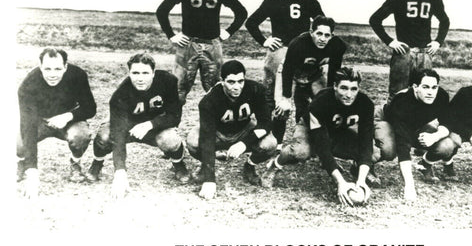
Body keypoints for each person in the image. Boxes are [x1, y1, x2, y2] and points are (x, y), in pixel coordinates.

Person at [262, 67, 375, 206]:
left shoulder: (366, 104)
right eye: (344, 88)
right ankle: (275, 165)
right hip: (311, 130)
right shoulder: (321, 102)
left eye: (353, 89)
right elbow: (321, 144)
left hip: (338, 131)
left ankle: (357, 171)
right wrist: (340, 182)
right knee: (301, 151)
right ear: (334, 86)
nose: (349, 94)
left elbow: (366, 141)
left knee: (374, 153)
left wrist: (362, 181)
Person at [90, 53, 190, 199]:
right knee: (105, 136)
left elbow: (174, 116)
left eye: (145, 73)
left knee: (170, 139)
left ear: (153, 73)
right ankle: (96, 164)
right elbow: (118, 133)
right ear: (129, 73)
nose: (140, 78)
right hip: (127, 126)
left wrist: (151, 124)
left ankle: (179, 165)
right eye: (135, 73)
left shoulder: (168, 81)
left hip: (154, 126)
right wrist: (120, 172)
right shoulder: (120, 95)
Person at [245, 0, 324, 146]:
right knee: (274, 95)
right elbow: (251, 22)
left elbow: (322, 26)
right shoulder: (273, 1)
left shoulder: (311, 2)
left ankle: (300, 138)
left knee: (302, 95)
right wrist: (264, 41)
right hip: (280, 51)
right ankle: (273, 139)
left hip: (303, 51)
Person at [156, 0, 248, 104]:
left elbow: (241, 12)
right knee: (178, 90)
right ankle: (171, 127)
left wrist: (228, 32)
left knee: (217, 90)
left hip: (212, 44)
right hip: (188, 44)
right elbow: (162, 10)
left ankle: (217, 127)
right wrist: (172, 35)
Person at [186, 60, 277, 200]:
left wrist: (244, 144)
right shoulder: (209, 100)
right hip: (217, 132)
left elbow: (266, 123)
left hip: (244, 130)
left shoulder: (255, 89)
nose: (237, 87)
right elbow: (207, 136)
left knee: (270, 143)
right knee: (193, 141)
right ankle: (206, 166)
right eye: (231, 82)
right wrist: (209, 180)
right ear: (222, 81)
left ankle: (250, 165)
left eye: (241, 81)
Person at [17, 48, 97, 198]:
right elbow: (28, 125)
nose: (52, 74)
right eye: (47, 69)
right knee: (17, 142)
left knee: (81, 136)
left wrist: (68, 116)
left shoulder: (77, 75)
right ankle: (23, 163)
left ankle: (75, 162)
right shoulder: (28, 84)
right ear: (40, 66)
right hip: (39, 120)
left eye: (58, 69)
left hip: (68, 120)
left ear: (65, 67)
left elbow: (90, 108)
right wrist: (33, 173)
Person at [374, 69, 459, 200]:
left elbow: (448, 122)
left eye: (434, 87)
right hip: (386, 120)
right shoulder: (402, 102)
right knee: (389, 150)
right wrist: (409, 185)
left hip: (416, 125)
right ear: (415, 87)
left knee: (448, 144)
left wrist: (433, 137)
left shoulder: (441, 95)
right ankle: (363, 165)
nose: (431, 92)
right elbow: (403, 146)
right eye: (425, 87)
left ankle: (425, 164)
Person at [369, 0, 450, 100]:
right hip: (404, 52)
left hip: (425, 53)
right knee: (398, 93)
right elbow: (375, 19)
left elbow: (445, 21)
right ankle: (393, 120)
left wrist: (438, 41)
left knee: (424, 93)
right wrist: (390, 41)